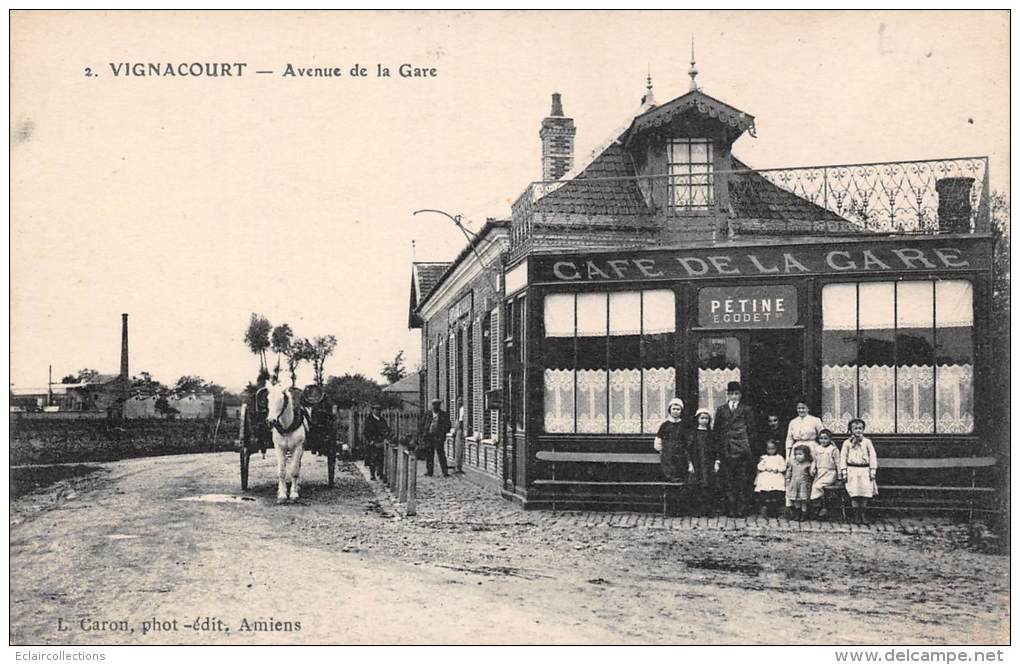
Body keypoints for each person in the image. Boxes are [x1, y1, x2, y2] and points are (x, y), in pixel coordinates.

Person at [713, 381, 757, 517]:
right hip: (726, 450)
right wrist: (719, 450)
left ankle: (741, 509)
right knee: (728, 480)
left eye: (736, 394)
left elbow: (752, 430)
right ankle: (730, 508)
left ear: (740, 395)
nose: (734, 396)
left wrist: (748, 447)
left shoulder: (746, 410)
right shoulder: (721, 410)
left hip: (741, 449)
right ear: (727, 395)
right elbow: (717, 430)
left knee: (741, 480)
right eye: (731, 394)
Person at [783, 399, 824, 515]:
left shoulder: (815, 420)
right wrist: (788, 455)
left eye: (803, 408)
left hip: (811, 448)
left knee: (810, 475)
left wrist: (819, 451)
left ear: (808, 408)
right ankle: (794, 507)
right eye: (799, 408)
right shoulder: (793, 422)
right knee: (794, 476)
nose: (801, 410)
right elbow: (789, 439)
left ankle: (810, 507)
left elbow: (822, 435)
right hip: (796, 449)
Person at [838, 418, 878, 525]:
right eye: (855, 428)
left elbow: (872, 456)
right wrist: (844, 472)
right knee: (855, 493)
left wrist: (872, 470)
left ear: (863, 429)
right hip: (852, 471)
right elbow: (843, 457)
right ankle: (856, 515)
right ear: (851, 430)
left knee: (864, 493)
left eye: (860, 428)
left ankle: (863, 514)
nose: (858, 431)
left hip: (864, 470)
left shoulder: (867, 442)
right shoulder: (847, 443)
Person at [687, 408, 718, 515]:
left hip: (708, 463)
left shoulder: (711, 434)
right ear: (698, 419)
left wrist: (716, 462)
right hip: (697, 462)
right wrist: (690, 463)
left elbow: (715, 449)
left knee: (709, 485)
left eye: (706, 418)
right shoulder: (694, 434)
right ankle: (697, 510)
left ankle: (708, 510)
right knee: (697, 486)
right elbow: (689, 449)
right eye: (702, 418)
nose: (704, 420)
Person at [653, 398, 688, 483]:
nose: (675, 411)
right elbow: (659, 438)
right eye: (674, 409)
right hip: (668, 451)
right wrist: (660, 449)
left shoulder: (683, 425)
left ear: (681, 411)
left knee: (680, 466)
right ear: (670, 410)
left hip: (680, 452)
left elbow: (687, 439)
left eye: (678, 409)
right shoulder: (665, 425)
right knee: (668, 467)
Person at [810, 429, 841, 518]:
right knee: (815, 486)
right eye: (821, 438)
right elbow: (814, 461)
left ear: (830, 439)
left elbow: (838, 463)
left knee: (817, 487)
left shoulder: (833, 449)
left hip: (830, 473)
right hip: (820, 472)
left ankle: (822, 507)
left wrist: (839, 476)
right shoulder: (817, 448)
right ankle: (819, 507)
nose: (823, 441)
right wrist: (813, 468)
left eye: (826, 438)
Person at [754, 439, 786, 518]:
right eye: (769, 449)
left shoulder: (779, 457)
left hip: (775, 476)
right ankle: (766, 509)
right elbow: (759, 466)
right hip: (766, 477)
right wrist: (765, 468)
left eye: (773, 449)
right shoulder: (764, 457)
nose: (771, 451)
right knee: (766, 492)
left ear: (776, 449)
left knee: (775, 492)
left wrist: (777, 469)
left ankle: (774, 510)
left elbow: (783, 467)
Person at [420, 398, 451, 477]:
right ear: (432, 405)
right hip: (429, 437)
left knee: (441, 455)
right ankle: (429, 471)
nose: (435, 406)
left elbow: (448, 426)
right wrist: (423, 434)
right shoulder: (428, 414)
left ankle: (445, 472)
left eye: (437, 404)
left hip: (438, 437)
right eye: (434, 404)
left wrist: (442, 434)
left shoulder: (444, 415)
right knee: (429, 455)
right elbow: (422, 425)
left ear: (439, 406)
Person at [785, 444, 815, 521]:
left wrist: (813, 471)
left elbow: (811, 474)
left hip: (803, 484)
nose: (798, 456)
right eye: (796, 454)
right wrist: (788, 478)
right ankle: (797, 513)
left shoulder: (808, 464)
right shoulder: (793, 463)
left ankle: (803, 513)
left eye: (800, 454)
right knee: (796, 499)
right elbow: (789, 471)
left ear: (806, 455)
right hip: (794, 484)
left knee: (803, 500)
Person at [362, 403, 391, 481]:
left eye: (379, 410)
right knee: (372, 459)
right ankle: (372, 474)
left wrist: (385, 437)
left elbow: (387, 430)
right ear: (373, 410)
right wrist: (371, 440)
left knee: (381, 459)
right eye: (376, 410)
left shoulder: (382, 420)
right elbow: (366, 432)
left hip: (381, 442)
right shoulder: (369, 420)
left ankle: (381, 473)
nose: (378, 412)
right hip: (372, 442)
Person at [453, 397, 466, 474]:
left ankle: (459, 467)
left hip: (460, 431)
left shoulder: (462, 410)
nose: (458, 402)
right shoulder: (458, 410)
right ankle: (457, 466)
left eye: (460, 401)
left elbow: (461, 422)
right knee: (457, 449)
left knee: (459, 449)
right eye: (458, 401)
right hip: (457, 431)